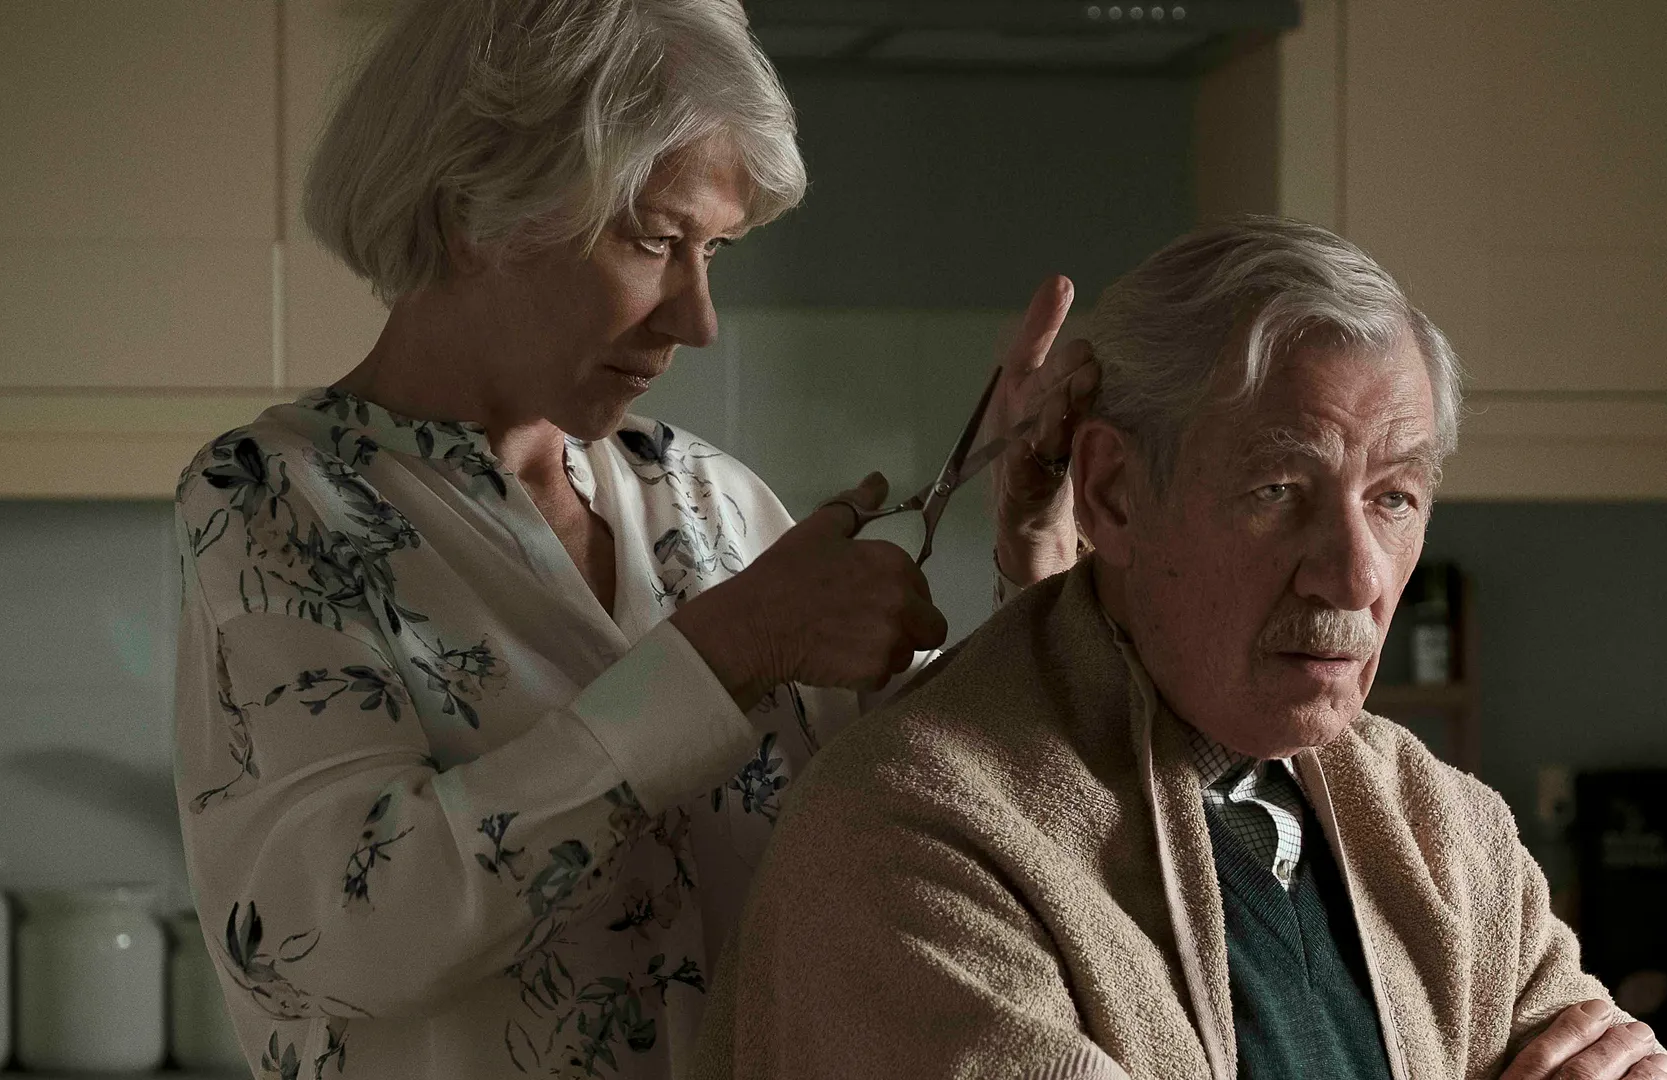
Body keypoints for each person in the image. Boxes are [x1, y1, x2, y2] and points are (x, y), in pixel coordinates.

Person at [169, 0, 1089, 1074]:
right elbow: (347, 934)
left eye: (716, 252)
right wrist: (725, 655)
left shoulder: (709, 495)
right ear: (474, 210)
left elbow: (964, 822)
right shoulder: (274, 497)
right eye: (655, 242)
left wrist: (1037, 555)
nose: (699, 320)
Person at [699, 217, 1667, 1080]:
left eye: (1394, 498)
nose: (1356, 576)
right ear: (1114, 492)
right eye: (1279, 492)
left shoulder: (1447, 832)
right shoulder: (911, 833)